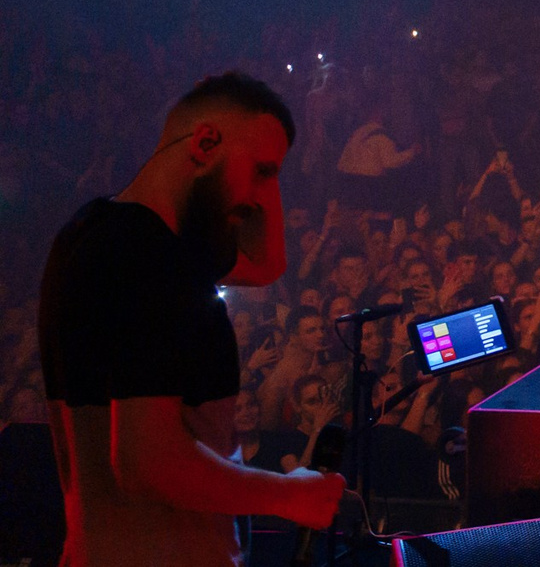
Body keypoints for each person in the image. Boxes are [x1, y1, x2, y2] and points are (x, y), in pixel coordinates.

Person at [39, 73, 346, 567]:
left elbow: (266, 263)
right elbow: (147, 462)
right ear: (204, 145)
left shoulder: (96, 234)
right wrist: (290, 496)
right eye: (260, 171)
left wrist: (266, 164)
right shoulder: (147, 257)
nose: (260, 197)